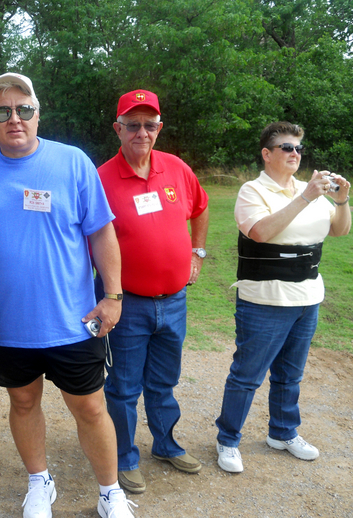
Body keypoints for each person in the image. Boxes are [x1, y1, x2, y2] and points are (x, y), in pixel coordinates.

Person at [0, 73, 137, 518]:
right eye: (2, 111)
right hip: (8, 323)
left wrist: (112, 294)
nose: (13, 118)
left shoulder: (73, 162)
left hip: (72, 320)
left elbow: (101, 232)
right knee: (22, 401)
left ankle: (110, 490)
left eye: (23, 109)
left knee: (91, 408)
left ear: (38, 113)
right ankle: (40, 481)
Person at [215, 121, 352, 473]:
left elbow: (339, 229)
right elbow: (260, 232)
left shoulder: (313, 191)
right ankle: (228, 439)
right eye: (287, 148)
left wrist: (342, 199)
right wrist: (305, 196)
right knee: (247, 375)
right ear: (267, 154)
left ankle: (283, 432)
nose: (295, 154)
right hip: (266, 298)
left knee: (291, 375)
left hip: (308, 296)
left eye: (299, 149)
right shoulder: (252, 191)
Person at [96, 89, 209, 494]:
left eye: (149, 124)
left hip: (174, 302)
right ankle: (124, 457)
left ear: (159, 128)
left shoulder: (176, 168)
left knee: (164, 381)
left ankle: (165, 444)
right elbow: (87, 238)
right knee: (124, 386)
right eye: (132, 125)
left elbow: (200, 207)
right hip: (129, 305)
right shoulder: (101, 178)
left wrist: (197, 251)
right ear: (118, 129)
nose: (141, 132)